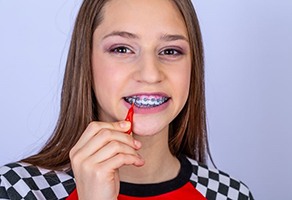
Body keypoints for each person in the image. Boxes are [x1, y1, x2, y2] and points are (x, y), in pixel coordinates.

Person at [0, 0, 254, 199]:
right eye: (121, 49)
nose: (150, 74)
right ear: (85, 62)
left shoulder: (228, 194)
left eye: (170, 51)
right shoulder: (20, 189)